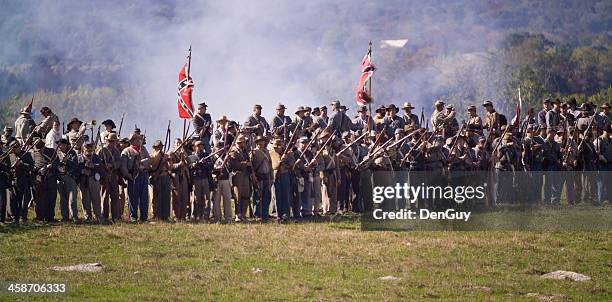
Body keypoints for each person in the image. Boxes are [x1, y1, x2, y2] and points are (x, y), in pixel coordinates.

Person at [120, 133, 150, 222]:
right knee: (133, 197)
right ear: (132, 140)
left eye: (139, 139)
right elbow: (123, 166)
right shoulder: (126, 151)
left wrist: (141, 161)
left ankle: (144, 217)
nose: (138, 140)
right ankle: (133, 217)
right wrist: (128, 175)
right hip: (132, 176)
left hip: (143, 175)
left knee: (144, 197)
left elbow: (148, 159)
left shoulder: (143, 149)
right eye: (136, 139)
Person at [31, 138, 59, 222]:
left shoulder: (52, 152)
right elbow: (33, 166)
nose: (39, 151)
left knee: (51, 198)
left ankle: (50, 217)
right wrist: (38, 170)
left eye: (41, 148)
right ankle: (40, 216)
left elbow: (57, 162)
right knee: (40, 199)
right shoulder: (34, 154)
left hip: (51, 178)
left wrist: (52, 165)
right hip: (40, 179)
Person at [226, 134, 252, 222]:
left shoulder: (244, 151)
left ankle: (243, 214)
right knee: (238, 196)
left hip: (245, 175)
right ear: (239, 143)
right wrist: (245, 164)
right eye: (243, 142)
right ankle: (238, 214)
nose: (244, 144)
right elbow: (233, 165)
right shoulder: (233, 152)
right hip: (237, 175)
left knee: (246, 195)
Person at [7, 141, 34, 224]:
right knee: (13, 200)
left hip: (23, 179)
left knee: (23, 200)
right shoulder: (10, 156)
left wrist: (21, 164)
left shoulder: (26, 154)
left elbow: (31, 167)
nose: (15, 149)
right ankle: (14, 217)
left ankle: (23, 217)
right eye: (13, 148)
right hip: (13, 179)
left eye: (16, 147)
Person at [78, 142, 104, 222]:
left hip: (94, 180)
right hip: (84, 181)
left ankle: (98, 217)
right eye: (87, 147)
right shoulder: (79, 158)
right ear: (83, 148)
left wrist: (93, 166)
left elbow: (100, 168)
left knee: (96, 199)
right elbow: (76, 168)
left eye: (90, 148)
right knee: (85, 200)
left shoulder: (96, 157)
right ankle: (88, 217)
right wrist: (83, 171)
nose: (88, 149)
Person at [99, 133, 122, 221]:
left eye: (113, 141)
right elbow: (99, 164)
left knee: (115, 197)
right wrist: (105, 168)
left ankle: (115, 216)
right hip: (105, 176)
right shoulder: (102, 150)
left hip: (113, 176)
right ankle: (104, 216)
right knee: (104, 197)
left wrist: (112, 165)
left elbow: (119, 162)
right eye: (110, 141)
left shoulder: (116, 151)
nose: (112, 143)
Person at [57, 138, 80, 222]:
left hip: (70, 176)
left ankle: (74, 217)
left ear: (65, 145)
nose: (59, 146)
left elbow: (75, 165)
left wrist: (67, 161)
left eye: (61, 144)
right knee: (63, 199)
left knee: (72, 198)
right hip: (60, 177)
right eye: (59, 144)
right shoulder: (57, 153)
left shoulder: (72, 153)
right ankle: (65, 217)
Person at [270, 139, 294, 220]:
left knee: (286, 195)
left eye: (278, 147)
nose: (276, 149)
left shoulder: (288, 153)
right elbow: (273, 166)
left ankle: (286, 213)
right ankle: (277, 213)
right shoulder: (271, 153)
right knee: (276, 195)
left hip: (285, 174)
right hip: (275, 174)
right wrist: (280, 161)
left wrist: (285, 160)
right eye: (275, 147)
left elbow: (292, 164)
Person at [189, 140, 213, 222]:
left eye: (202, 145)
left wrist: (204, 163)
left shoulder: (206, 155)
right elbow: (189, 167)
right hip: (196, 179)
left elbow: (210, 167)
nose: (200, 147)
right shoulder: (191, 157)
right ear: (194, 147)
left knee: (207, 198)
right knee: (197, 198)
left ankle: (206, 216)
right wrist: (195, 165)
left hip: (205, 178)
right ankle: (198, 215)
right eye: (198, 145)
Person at [149, 140, 172, 221]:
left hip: (166, 177)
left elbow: (170, 167)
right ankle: (157, 215)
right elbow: (153, 166)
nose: (160, 148)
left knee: (166, 197)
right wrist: (159, 156)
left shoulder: (165, 155)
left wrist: (168, 160)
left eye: (161, 146)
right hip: (158, 177)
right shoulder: (152, 155)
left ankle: (165, 216)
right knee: (157, 197)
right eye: (158, 147)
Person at [251, 135, 273, 221]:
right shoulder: (254, 152)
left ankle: (265, 214)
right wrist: (254, 177)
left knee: (267, 196)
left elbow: (270, 165)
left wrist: (271, 177)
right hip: (258, 176)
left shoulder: (267, 152)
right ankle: (257, 214)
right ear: (256, 143)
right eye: (259, 141)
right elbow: (251, 166)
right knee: (258, 197)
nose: (261, 142)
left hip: (266, 176)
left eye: (262, 141)